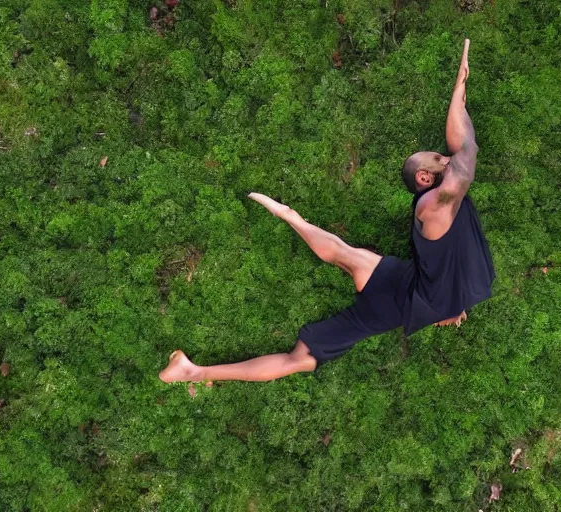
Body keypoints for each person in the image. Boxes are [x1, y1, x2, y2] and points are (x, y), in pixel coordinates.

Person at [159, 39, 494, 384]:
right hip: (401, 300)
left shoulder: (437, 201)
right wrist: (459, 95)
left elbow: (465, 145)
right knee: (300, 357)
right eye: (438, 159)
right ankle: (193, 372)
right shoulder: (432, 204)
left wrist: (460, 87)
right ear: (425, 177)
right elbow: (465, 152)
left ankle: (291, 218)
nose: (445, 157)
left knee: (344, 257)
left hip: (404, 284)